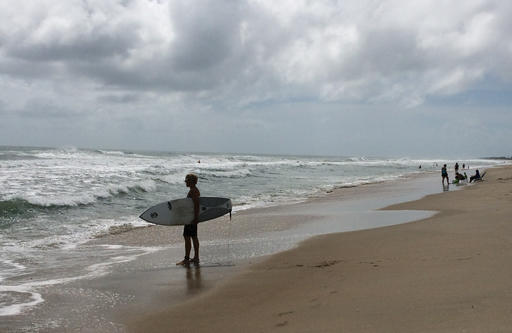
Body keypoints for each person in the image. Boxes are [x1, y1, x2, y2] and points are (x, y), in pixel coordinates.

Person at [177, 174, 201, 266]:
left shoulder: (193, 191)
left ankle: (187, 259)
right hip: (191, 217)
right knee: (193, 237)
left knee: (188, 237)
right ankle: (196, 257)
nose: (185, 182)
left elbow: (196, 205)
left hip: (191, 219)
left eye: (187, 180)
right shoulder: (194, 190)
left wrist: (195, 218)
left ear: (191, 181)